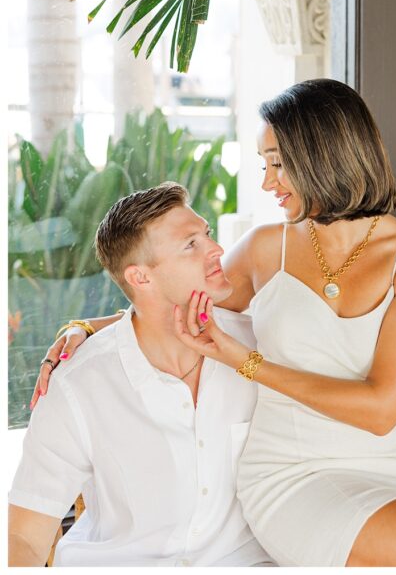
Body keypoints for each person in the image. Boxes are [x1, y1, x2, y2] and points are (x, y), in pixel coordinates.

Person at [31, 79, 396, 567]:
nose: (266, 182)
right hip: (290, 474)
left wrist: (248, 363)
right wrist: (88, 327)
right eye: (264, 165)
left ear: (325, 155)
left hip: (389, 467)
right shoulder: (267, 248)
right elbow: (175, 306)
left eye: (277, 164)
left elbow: (381, 408)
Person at [8, 183, 272, 566]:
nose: (216, 251)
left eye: (208, 235)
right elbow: (24, 537)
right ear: (140, 278)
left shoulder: (258, 349)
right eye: (190, 244)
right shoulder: (78, 384)